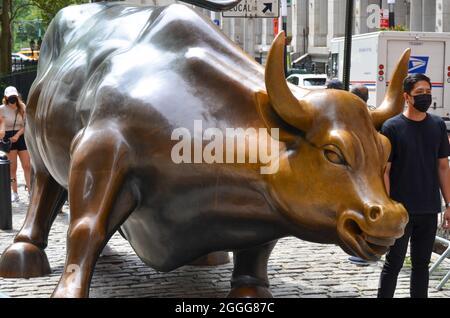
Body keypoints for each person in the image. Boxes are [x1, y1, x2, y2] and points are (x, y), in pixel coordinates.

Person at [378, 73, 450, 298]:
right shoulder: (391, 127)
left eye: (428, 92)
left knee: (421, 266)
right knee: (394, 263)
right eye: (420, 93)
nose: (425, 97)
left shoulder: (438, 125)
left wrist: (449, 204)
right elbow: (385, 171)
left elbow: (443, 167)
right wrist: (388, 207)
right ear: (407, 97)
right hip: (400, 210)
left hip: (428, 209)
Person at [0, 86, 32, 202]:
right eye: (10, 97)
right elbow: (1, 126)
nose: (12, 99)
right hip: (8, 139)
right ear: (6, 97)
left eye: (14, 97)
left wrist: (17, 135)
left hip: (21, 136)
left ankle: (30, 191)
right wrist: (2, 131)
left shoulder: (22, 107)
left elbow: (26, 125)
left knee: (27, 165)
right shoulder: (1, 109)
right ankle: (14, 192)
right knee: (12, 167)